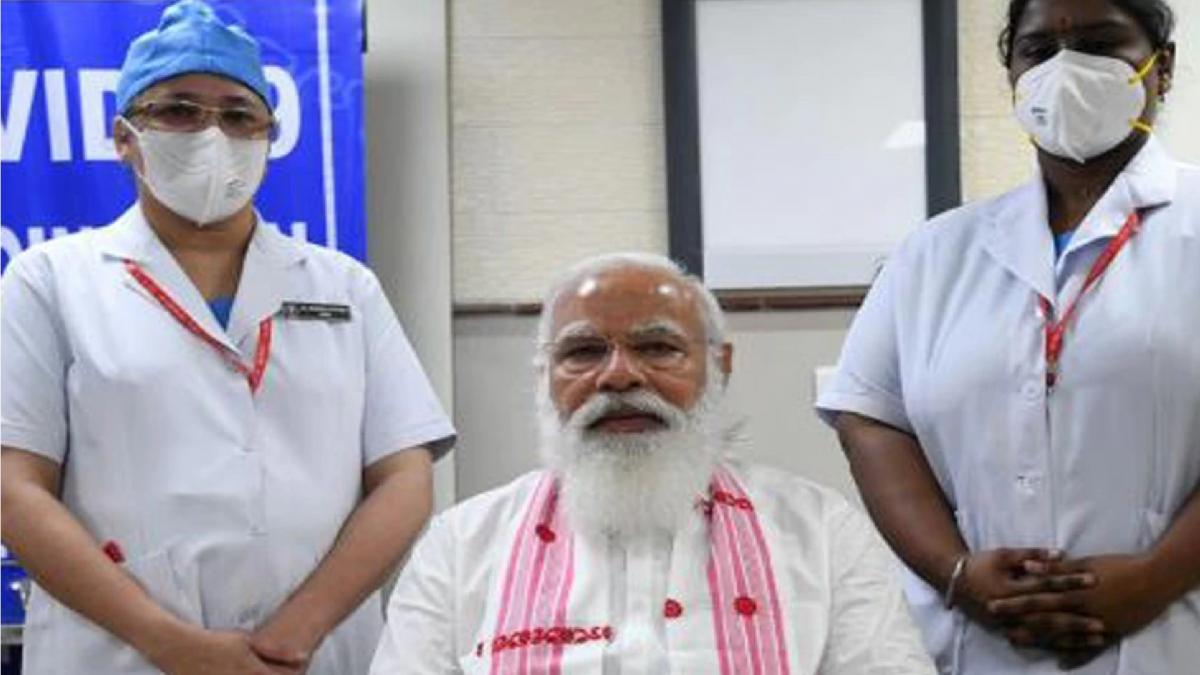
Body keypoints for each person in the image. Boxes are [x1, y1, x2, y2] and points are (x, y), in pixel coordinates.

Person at [0, 2, 455, 673]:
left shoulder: (342, 286)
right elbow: (15, 488)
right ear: (124, 135)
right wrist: (170, 643)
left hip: (314, 654)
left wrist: (297, 631)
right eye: (178, 110)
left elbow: (403, 475)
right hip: (122, 655)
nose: (212, 133)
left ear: (269, 136)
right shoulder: (50, 281)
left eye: (239, 115)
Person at [816, 0, 1199, 673]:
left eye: (1100, 42)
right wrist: (957, 572)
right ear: (1013, 75)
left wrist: (1155, 578)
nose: (1065, 68)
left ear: (1160, 68)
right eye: (1038, 49)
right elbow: (871, 417)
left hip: (1174, 634)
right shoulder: (936, 251)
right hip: (976, 645)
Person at [369, 253, 935, 674]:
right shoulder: (462, 543)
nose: (618, 376)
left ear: (719, 365)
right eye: (583, 352)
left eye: (657, 348)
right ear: (545, 374)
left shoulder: (820, 531)